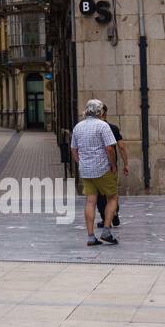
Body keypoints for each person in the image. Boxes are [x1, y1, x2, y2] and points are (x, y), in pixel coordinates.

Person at [71, 100, 119, 247]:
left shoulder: (78, 127)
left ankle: (91, 236)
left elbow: (73, 149)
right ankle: (106, 231)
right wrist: (113, 165)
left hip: (86, 171)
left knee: (90, 201)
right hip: (103, 168)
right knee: (112, 197)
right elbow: (110, 149)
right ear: (100, 112)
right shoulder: (102, 126)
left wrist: (81, 163)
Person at [96, 104, 127, 228]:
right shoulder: (113, 128)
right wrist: (126, 164)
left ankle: (105, 219)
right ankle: (114, 214)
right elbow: (121, 147)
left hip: (97, 166)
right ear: (105, 113)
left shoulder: (92, 129)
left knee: (100, 194)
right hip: (111, 166)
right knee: (112, 193)